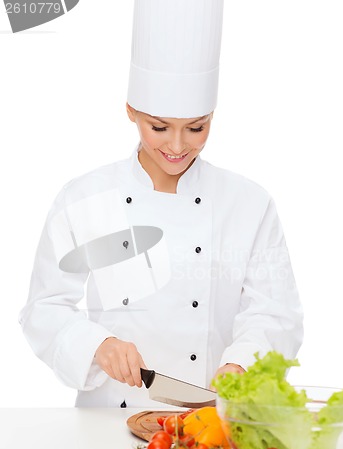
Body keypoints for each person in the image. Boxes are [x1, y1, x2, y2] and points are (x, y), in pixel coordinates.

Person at [19, 0, 303, 408]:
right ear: (131, 111)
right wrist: (98, 344)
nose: (176, 146)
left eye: (196, 128)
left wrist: (242, 364)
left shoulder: (249, 204)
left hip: (209, 421)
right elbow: (42, 309)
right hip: (107, 422)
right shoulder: (84, 198)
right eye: (158, 127)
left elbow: (277, 313)